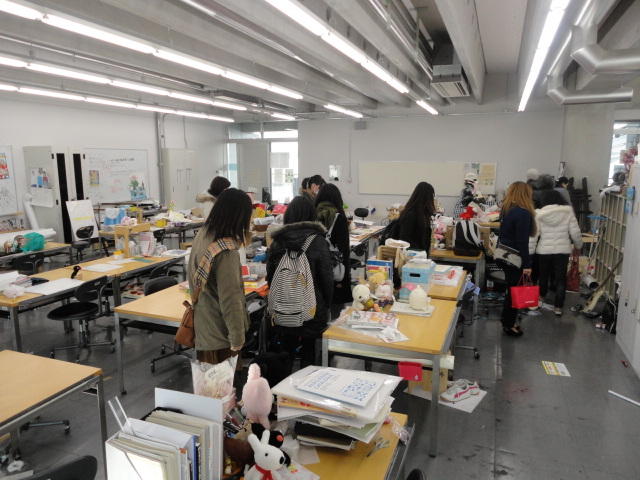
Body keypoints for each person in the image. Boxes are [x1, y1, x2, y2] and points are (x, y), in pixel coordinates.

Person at [267, 197, 333, 368]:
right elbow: (326, 278)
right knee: (309, 351)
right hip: (311, 307)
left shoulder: (278, 241)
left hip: (283, 306)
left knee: (285, 350)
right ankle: (306, 380)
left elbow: (271, 276)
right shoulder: (318, 241)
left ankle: (283, 381)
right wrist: (326, 304)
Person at [188, 188, 252, 364]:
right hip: (221, 335)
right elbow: (230, 299)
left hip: (204, 326)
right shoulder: (225, 251)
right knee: (223, 380)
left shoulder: (204, 233)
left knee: (207, 378)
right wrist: (237, 339)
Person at [531, 190, 582, 316]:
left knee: (543, 276)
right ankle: (558, 307)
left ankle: (541, 297)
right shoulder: (568, 211)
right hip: (562, 250)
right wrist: (578, 245)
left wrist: (530, 251)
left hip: (544, 250)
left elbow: (534, 234)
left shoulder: (538, 213)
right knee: (560, 278)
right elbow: (575, 231)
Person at [497, 181, 536, 337]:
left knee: (511, 290)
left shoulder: (507, 210)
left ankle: (507, 321)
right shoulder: (523, 213)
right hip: (515, 258)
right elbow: (522, 242)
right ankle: (509, 324)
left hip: (504, 255)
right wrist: (527, 264)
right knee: (515, 292)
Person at [315, 183, 352, 311]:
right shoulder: (339, 218)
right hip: (334, 270)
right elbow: (344, 250)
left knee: (319, 305)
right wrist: (345, 276)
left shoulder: (313, 214)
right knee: (337, 310)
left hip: (316, 267)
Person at [396, 182, 436, 254]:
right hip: (412, 255)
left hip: (419, 254)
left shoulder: (423, 214)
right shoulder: (411, 214)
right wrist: (419, 253)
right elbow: (405, 238)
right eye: (431, 196)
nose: (432, 199)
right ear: (426, 197)